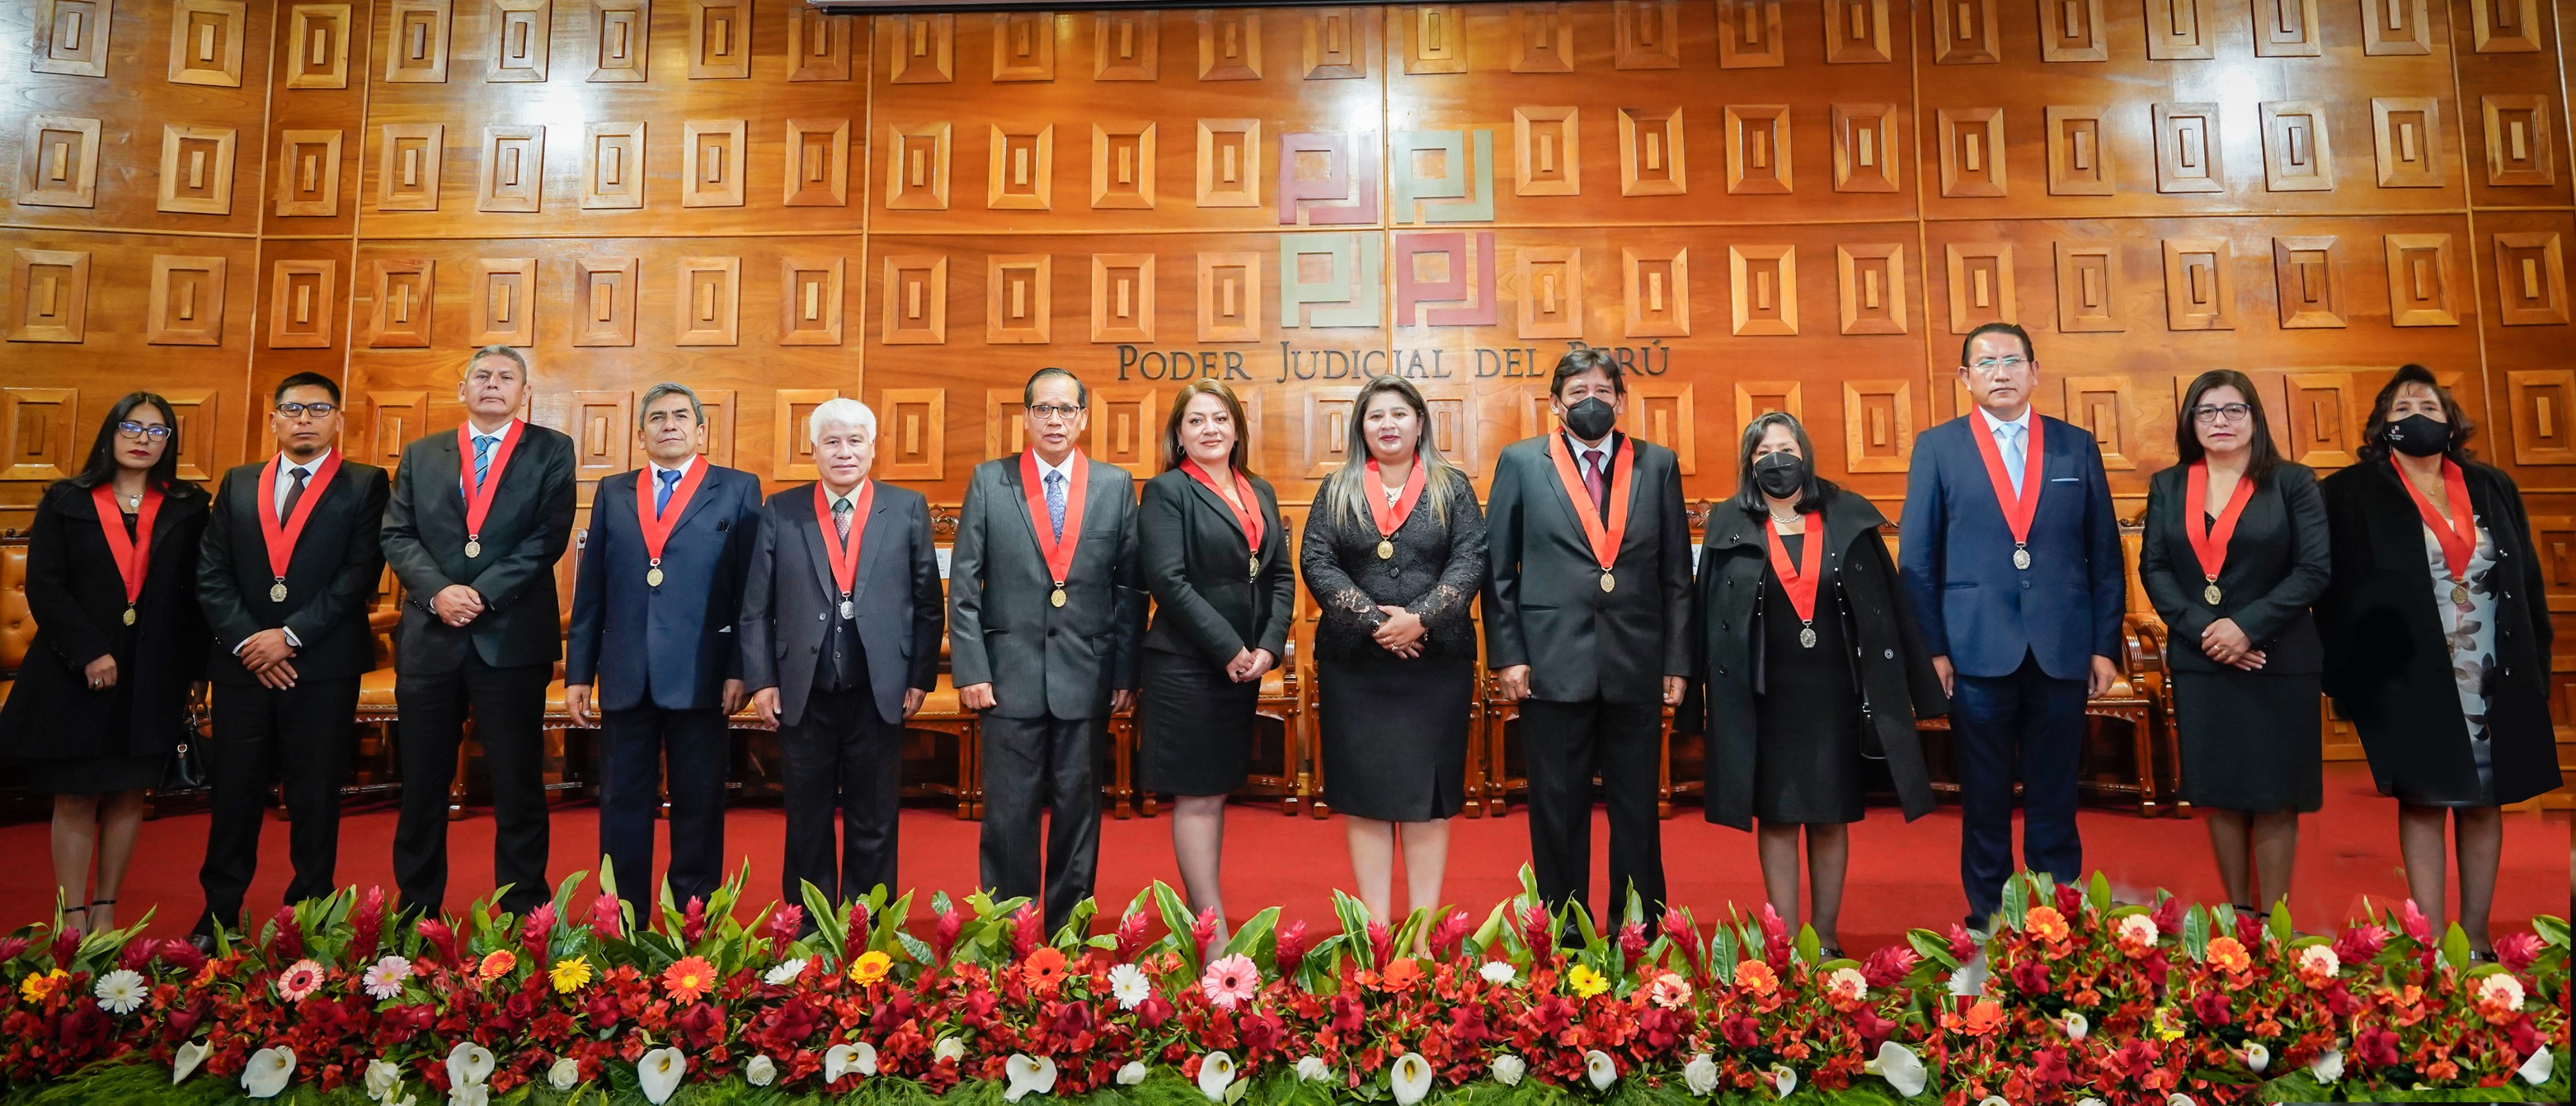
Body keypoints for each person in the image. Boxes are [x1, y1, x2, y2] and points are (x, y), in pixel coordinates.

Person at [2319, 365, 2559, 958]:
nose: (2416, 417)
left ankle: (2475, 937)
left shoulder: (2491, 483)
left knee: (2484, 798)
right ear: (2381, 427)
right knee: (2423, 799)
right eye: (2401, 410)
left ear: (2451, 422)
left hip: (2489, 666)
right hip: (2406, 671)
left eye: (2427, 406)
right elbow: (2336, 589)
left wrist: (2539, 663)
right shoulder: (2351, 491)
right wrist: (2348, 680)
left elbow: (2525, 576)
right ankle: (2430, 939)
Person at [1683, 412, 1944, 957]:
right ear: (1749, 464)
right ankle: (1783, 942)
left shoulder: (1846, 514)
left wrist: (1920, 685)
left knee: (1830, 813)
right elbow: (1705, 608)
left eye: (1786, 447)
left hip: (1835, 693)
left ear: (1805, 453)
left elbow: (1890, 605)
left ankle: (1824, 938)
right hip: (1763, 696)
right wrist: (1690, 693)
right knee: (1776, 816)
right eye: (1763, 452)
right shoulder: (1732, 520)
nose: (1776, 460)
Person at [1897, 322, 2125, 931]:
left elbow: (2104, 554)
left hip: (2061, 648)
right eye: (1986, 362)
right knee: (1985, 797)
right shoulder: (1939, 447)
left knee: (2056, 793)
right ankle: (1990, 917)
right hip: (1974, 650)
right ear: (1964, 377)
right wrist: (1933, 651)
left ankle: (2056, 916)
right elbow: (1917, 561)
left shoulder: (2075, 446)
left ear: (2035, 371)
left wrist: (2105, 646)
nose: (2001, 372)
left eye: (2012, 360)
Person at [1485, 348, 1692, 923]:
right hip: (1550, 664)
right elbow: (1498, 570)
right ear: (1556, 403)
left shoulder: (1658, 464)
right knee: (1558, 809)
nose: (1591, 401)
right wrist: (1508, 655)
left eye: (1603, 391)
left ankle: (1638, 932)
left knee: (1636, 811)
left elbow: (1676, 574)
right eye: (1578, 392)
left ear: (1621, 401)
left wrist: (1677, 659)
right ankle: (1564, 934)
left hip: (1636, 661)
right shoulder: (1522, 462)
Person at [380, 345, 577, 918]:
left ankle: (523, 912)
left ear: (525, 394)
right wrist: (439, 591)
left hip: (510, 637)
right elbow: (397, 534)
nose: (493, 384)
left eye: (506, 376)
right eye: (482, 376)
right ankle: (416, 911)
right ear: (463, 389)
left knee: (518, 783)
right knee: (422, 786)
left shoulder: (551, 450)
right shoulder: (423, 454)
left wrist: (482, 592)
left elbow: (548, 534)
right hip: (431, 634)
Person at [0, 394, 209, 934]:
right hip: (77, 671)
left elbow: (197, 590)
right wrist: (90, 651)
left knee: (127, 791)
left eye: (157, 431)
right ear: (110, 432)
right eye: (131, 426)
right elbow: (45, 586)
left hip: (153, 670)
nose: (142, 438)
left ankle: (107, 910)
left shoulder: (187, 504)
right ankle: (70, 917)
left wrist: (194, 669)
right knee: (75, 792)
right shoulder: (67, 499)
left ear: (170, 442)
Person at [192, 374, 389, 941]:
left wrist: (292, 635)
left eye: (318, 408)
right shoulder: (238, 483)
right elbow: (211, 572)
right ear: (274, 418)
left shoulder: (365, 483)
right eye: (293, 408)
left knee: (315, 788)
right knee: (233, 789)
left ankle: (311, 912)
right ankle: (219, 912)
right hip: (242, 663)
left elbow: (359, 574)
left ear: (338, 419)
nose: (305, 418)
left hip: (320, 663)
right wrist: (251, 641)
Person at [949, 368, 1145, 930]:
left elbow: (1130, 590)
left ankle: (1069, 937)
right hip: (1006, 677)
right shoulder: (991, 481)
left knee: (1078, 817)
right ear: (1026, 416)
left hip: (1087, 675)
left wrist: (1125, 671)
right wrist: (971, 667)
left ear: (1083, 416)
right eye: (1043, 409)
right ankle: (1008, 934)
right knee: (1008, 816)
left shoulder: (1113, 484)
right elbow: (964, 584)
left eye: (1065, 409)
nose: (1054, 420)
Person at [740, 398, 942, 917]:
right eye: (832, 441)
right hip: (801, 690)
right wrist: (762, 680)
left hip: (881, 689)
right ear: (814, 450)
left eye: (855, 440)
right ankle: (806, 930)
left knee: (874, 817)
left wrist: (920, 676)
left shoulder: (906, 508)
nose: (844, 452)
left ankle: (868, 929)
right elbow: (756, 606)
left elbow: (926, 604)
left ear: (872, 448)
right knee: (806, 818)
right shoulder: (782, 511)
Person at [564, 383, 764, 908]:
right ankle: (622, 920)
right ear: (641, 434)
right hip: (627, 672)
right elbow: (593, 591)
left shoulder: (739, 489)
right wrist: (579, 673)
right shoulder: (613, 491)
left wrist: (743, 667)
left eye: (680, 416)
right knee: (621, 804)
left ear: (701, 430)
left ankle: (692, 924)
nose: (668, 424)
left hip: (704, 671)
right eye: (657, 417)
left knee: (699, 805)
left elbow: (750, 590)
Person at [2138, 371, 2329, 915]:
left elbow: (2314, 569)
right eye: (2206, 411)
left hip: (2279, 656)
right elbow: (2155, 570)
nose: (2219, 421)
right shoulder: (2169, 485)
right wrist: (2207, 632)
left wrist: (2245, 626)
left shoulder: (2293, 481)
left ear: (2255, 418)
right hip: (2203, 662)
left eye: (2233, 410)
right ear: (2190, 422)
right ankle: (2238, 916)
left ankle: (2276, 922)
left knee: (2274, 793)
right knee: (2219, 792)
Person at [1300, 377, 1487, 923]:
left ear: (1420, 423)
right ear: (1361, 426)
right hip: (1356, 666)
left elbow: (1471, 559)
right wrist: (1377, 621)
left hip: (1437, 664)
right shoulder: (1338, 488)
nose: (1388, 424)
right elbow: (1317, 561)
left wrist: (1422, 617)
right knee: (1365, 797)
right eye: (1376, 415)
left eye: (1399, 414)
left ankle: (1423, 933)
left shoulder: (1452, 486)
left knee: (1430, 801)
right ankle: (1376, 929)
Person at [1136, 379, 1294, 935]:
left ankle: (1208, 916)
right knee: (1198, 795)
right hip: (1187, 663)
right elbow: (1168, 582)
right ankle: (1213, 928)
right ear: (1179, 435)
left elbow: (1279, 575)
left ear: (1236, 429)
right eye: (1197, 420)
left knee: (1217, 792)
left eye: (1220, 418)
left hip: (1244, 667)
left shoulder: (1262, 491)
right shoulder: (1166, 491)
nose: (1211, 429)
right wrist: (1229, 647)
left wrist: (1269, 647)